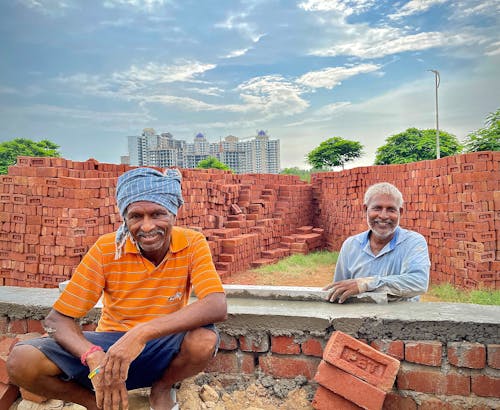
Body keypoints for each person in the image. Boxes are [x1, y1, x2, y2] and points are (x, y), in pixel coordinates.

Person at [7, 167, 227, 410]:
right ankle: (97, 403)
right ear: (125, 218)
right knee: (22, 361)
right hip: (109, 349)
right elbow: (57, 320)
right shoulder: (107, 249)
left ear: (174, 214)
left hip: (161, 344)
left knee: (204, 339)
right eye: (136, 217)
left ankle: (162, 387)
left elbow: (216, 304)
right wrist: (92, 355)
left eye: (157, 214)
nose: (146, 227)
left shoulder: (192, 243)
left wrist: (140, 333)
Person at [323, 182, 430, 304]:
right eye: (377, 208)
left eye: (391, 209)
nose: (384, 216)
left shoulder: (413, 242)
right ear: (365, 209)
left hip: (400, 320)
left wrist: (365, 284)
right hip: (358, 319)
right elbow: (339, 290)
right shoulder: (351, 245)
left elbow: (419, 282)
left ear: (400, 212)